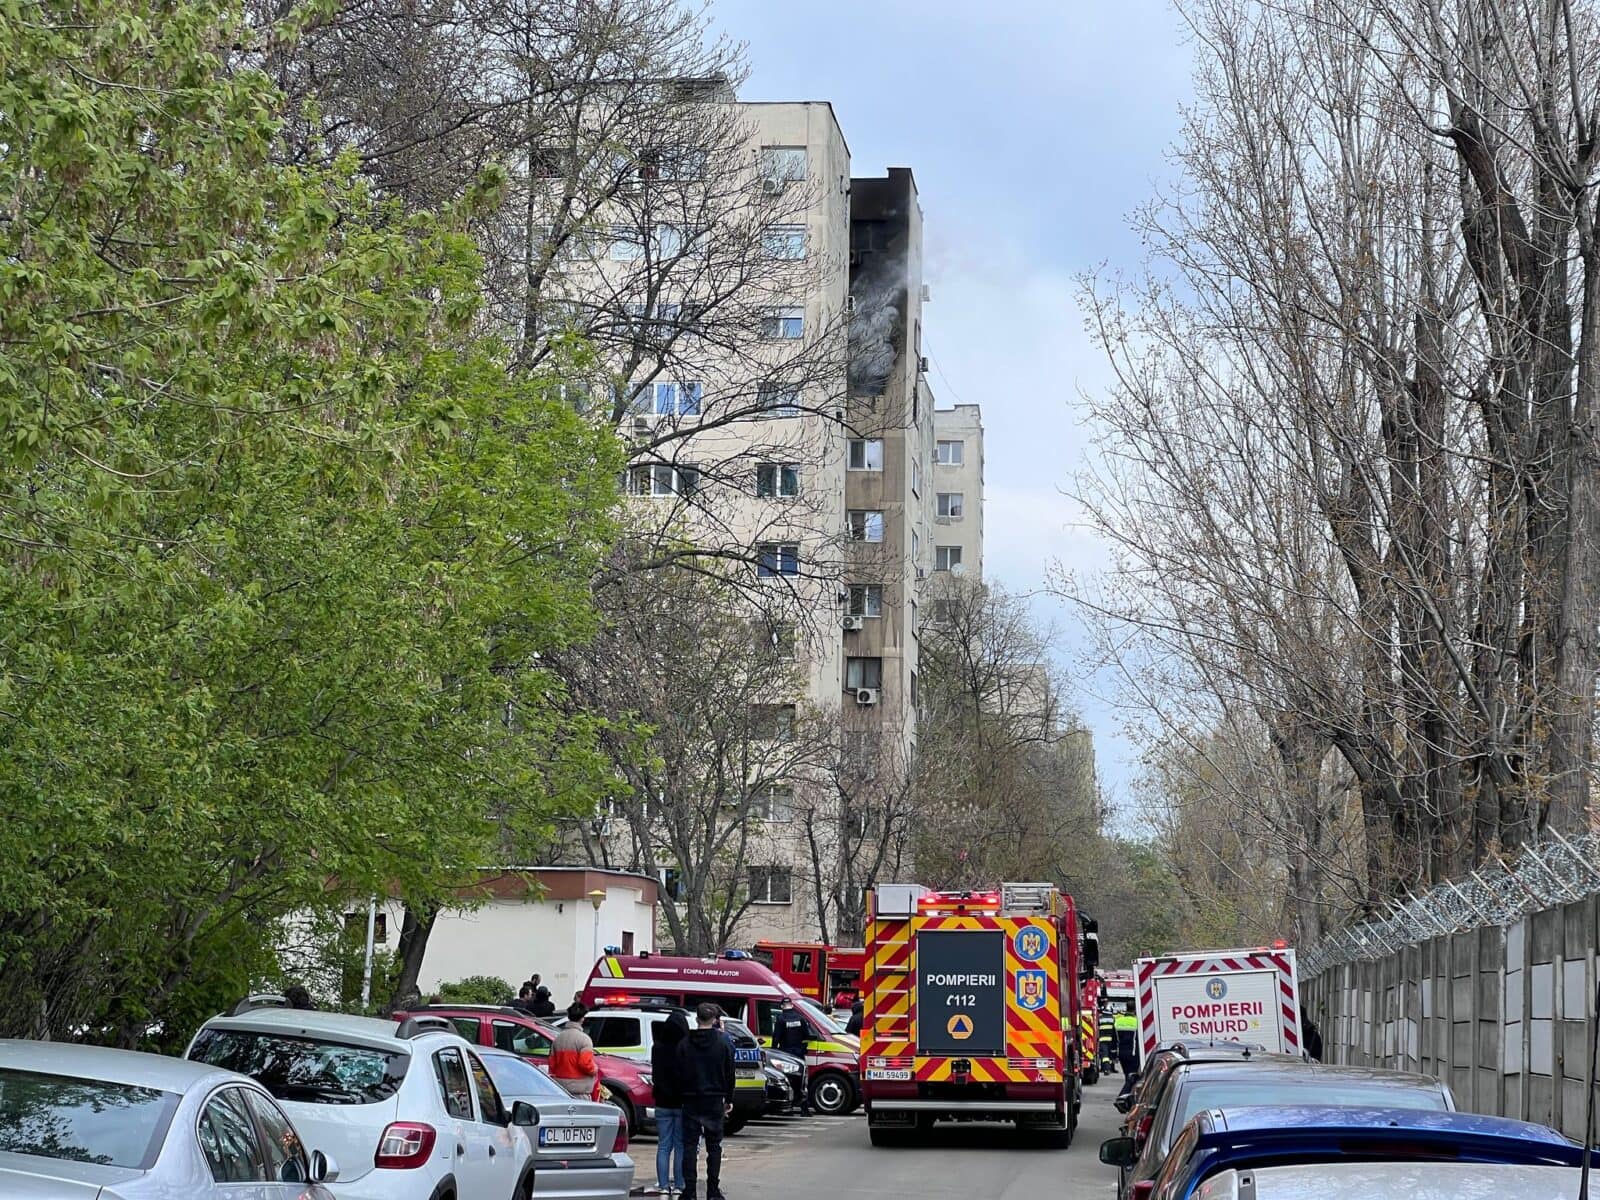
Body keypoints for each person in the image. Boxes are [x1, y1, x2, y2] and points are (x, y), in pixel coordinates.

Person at [677, 1002, 734, 1200]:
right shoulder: (723, 1043)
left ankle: (690, 1191)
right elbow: (729, 1073)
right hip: (714, 1099)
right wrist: (729, 1097)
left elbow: (679, 1073)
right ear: (715, 1020)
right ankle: (712, 1191)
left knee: (690, 1147)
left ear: (696, 1018)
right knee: (714, 1147)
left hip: (691, 1099)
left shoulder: (685, 1043)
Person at [649, 1010, 690, 1195]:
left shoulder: (657, 1047)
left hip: (662, 1101)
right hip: (681, 1103)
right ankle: (680, 1185)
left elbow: (656, 1075)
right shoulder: (686, 1047)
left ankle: (663, 1185)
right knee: (680, 1144)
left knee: (664, 1145)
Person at [550, 1004, 601, 1101]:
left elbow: (552, 1064)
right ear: (582, 1019)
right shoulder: (584, 1039)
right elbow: (585, 1063)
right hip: (580, 1090)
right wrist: (595, 1069)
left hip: (561, 1088)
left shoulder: (558, 1038)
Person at [773, 998, 811, 1115]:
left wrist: (774, 1052)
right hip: (799, 1054)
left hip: (786, 1055)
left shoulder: (781, 1019)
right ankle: (804, 1109)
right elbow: (807, 1035)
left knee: (788, 1081)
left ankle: (788, 1109)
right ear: (792, 1006)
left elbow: (776, 1038)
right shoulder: (800, 1018)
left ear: (782, 1007)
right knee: (801, 1082)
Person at [1113, 1007, 1140, 1102]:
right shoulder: (1137, 1022)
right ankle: (1123, 1097)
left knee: (1127, 1076)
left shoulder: (1118, 1021)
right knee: (1132, 1077)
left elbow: (1114, 1039)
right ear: (1134, 1011)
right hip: (1133, 1054)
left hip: (1121, 1054)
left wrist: (1113, 1055)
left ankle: (1127, 1098)